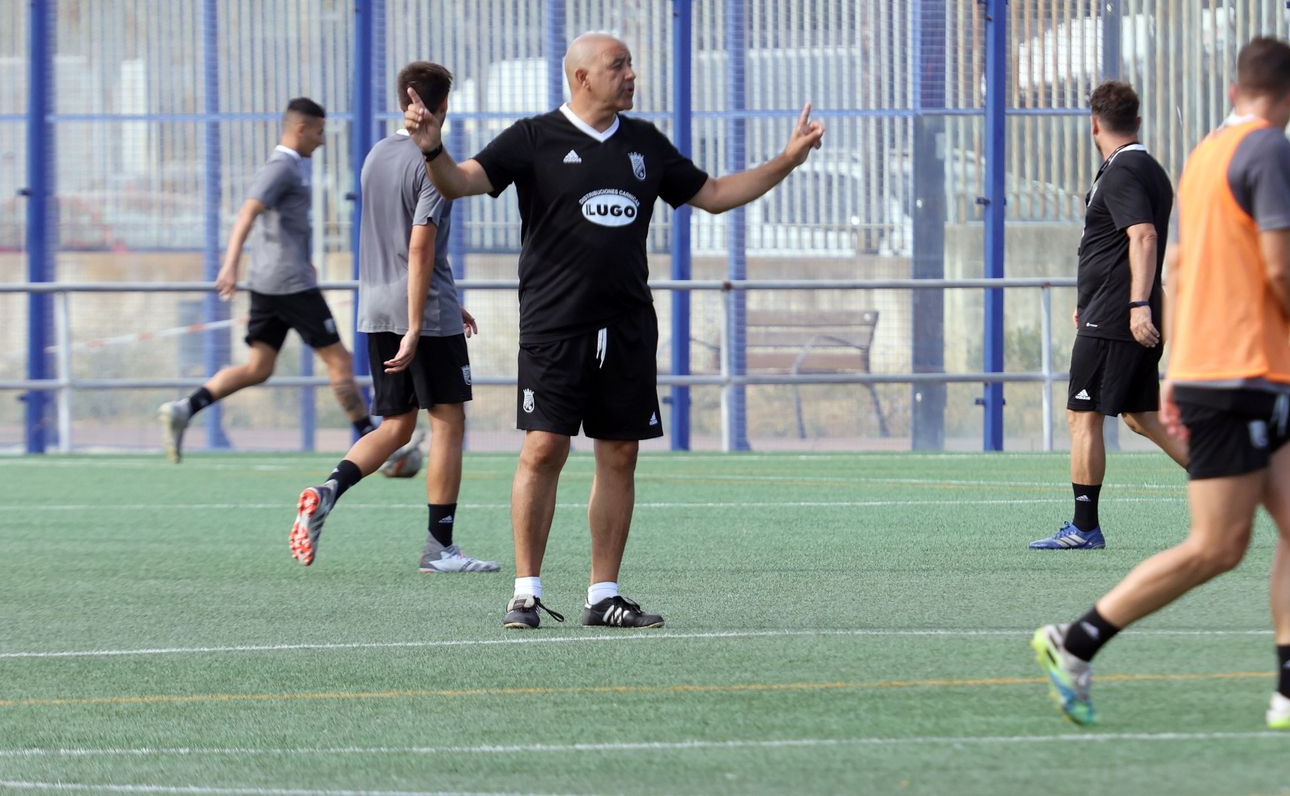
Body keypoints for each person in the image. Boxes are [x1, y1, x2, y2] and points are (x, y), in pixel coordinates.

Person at [404, 32, 825, 629]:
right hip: (554, 326)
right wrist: (432, 149)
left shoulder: (645, 144)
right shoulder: (533, 138)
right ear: (582, 78)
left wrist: (787, 160)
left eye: (630, 64)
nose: (632, 74)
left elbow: (714, 195)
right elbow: (459, 182)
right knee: (544, 448)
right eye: (618, 65)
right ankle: (526, 594)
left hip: (627, 327)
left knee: (620, 453)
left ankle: (603, 595)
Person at [1031, 38, 1290, 730]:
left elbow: (1183, 267)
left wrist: (1179, 362)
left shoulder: (1204, 156)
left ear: (1232, 92)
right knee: (1216, 547)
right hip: (1236, 375)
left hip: (1241, 371)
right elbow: (1282, 267)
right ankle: (1074, 644)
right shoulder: (1268, 149)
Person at [288, 63, 500, 574]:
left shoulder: (377, 154)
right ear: (443, 107)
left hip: (376, 307)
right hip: (417, 315)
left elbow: (393, 238)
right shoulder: (436, 164)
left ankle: (328, 489)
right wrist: (419, 324)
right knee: (449, 422)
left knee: (398, 425)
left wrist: (448, 298)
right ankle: (440, 548)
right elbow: (419, 242)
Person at [158, 98, 392, 464]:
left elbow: (280, 225)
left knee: (259, 367)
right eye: (318, 132)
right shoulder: (282, 167)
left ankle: (186, 408)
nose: (321, 140)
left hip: (273, 280)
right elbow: (249, 211)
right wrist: (230, 263)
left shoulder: (292, 167)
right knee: (340, 360)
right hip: (288, 284)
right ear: (300, 129)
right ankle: (374, 443)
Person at [1031, 81, 1189, 550]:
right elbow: (1113, 245)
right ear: (1137, 122)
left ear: (1094, 123)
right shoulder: (1145, 168)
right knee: (1142, 417)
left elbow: (1142, 236)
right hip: (1113, 309)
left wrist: (1136, 305)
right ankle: (1227, 478)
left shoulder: (1125, 170)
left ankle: (1083, 528)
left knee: (1083, 417)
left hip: (1119, 315)